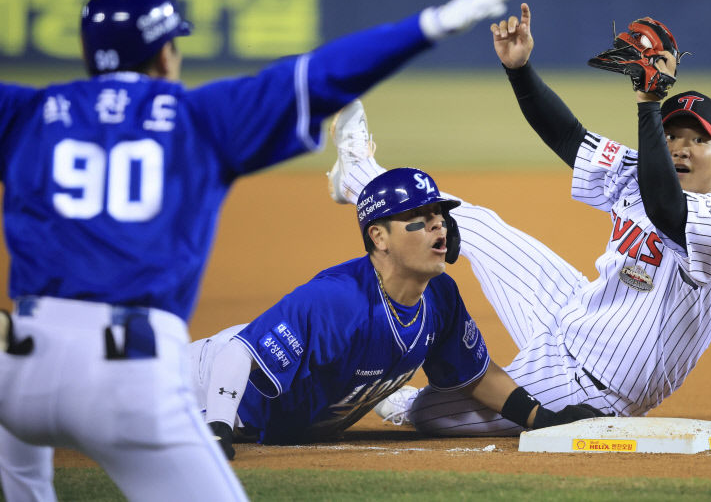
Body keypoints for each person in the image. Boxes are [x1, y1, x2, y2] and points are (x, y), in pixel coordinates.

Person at [0, 0, 534, 500]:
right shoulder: (198, 118)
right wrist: (429, 25)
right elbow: (324, 75)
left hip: (20, 365)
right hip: (128, 374)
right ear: (166, 56)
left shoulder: (26, 112)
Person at [327, 3, 711, 436]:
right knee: (477, 225)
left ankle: (412, 403)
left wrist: (649, 103)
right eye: (672, 135)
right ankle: (357, 175)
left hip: (595, 386)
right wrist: (520, 69)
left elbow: (667, 209)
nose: (682, 147)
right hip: (572, 311)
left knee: (433, 415)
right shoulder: (640, 171)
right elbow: (568, 135)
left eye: (698, 139)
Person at [191, 166, 604, 458]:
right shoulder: (337, 300)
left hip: (284, 416)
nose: (439, 227)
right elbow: (238, 352)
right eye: (419, 220)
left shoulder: (439, 294)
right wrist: (219, 428)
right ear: (379, 237)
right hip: (198, 388)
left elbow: (477, 376)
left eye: (439, 217)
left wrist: (540, 416)